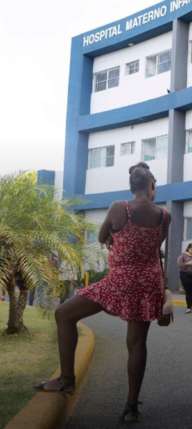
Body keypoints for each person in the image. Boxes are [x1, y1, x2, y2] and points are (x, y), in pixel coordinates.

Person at [37, 163, 170, 423]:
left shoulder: (119, 208)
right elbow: (156, 250)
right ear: (151, 186)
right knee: (137, 343)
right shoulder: (165, 216)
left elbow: (101, 237)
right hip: (148, 281)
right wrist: (163, 292)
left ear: (132, 186)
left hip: (120, 280)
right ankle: (131, 407)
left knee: (64, 314)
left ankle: (66, 379)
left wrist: (112, 237)